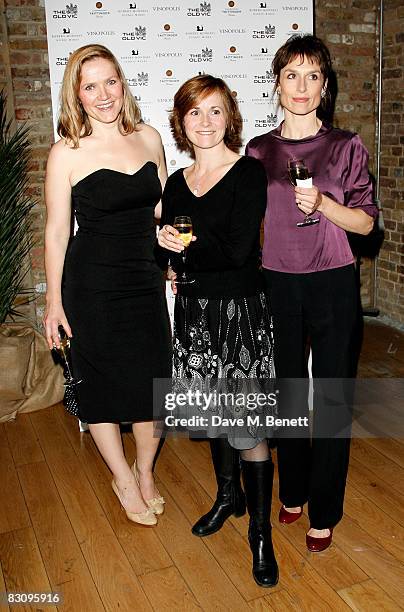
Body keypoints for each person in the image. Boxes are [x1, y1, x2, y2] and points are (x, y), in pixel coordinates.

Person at [246, 34, 378, 552]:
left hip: (332, 283)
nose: (302, 87)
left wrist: (322, 202)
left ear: (325, 88)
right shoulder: (259, 151)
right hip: (276, 281)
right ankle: (293, 487)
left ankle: (323, 507)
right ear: (277, 85)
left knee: (329, 399)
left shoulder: (346, 146)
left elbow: (366, 225)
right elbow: (243, 225)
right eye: (291, 76)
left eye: (313, 76)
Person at [157, 74, 278, 587]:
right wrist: (165, 250)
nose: (204, 122)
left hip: (241, 312)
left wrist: (183, 247)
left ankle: (260, 532)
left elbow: (235, 251)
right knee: (212, 411)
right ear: (181, 123)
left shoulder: (249, 173)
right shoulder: (176, 183)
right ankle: (227, 497)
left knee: (247, 425)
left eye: (214, 111)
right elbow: (168, 252)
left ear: (229, 116)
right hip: (196, 314)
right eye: (193, 112)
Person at [44, 44, 171, 526]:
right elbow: (57, 232)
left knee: (153, 385)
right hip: (90, 285)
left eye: (110, 81)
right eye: (90, 85)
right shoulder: (66, 152)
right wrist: (54, 301)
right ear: (76, 95)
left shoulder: (149, 137)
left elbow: (160, 210)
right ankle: (122, 476)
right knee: (99, 385)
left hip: (143, 278)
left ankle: (145, 472)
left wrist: (177, 243)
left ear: (123, 83)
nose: (103, 94)